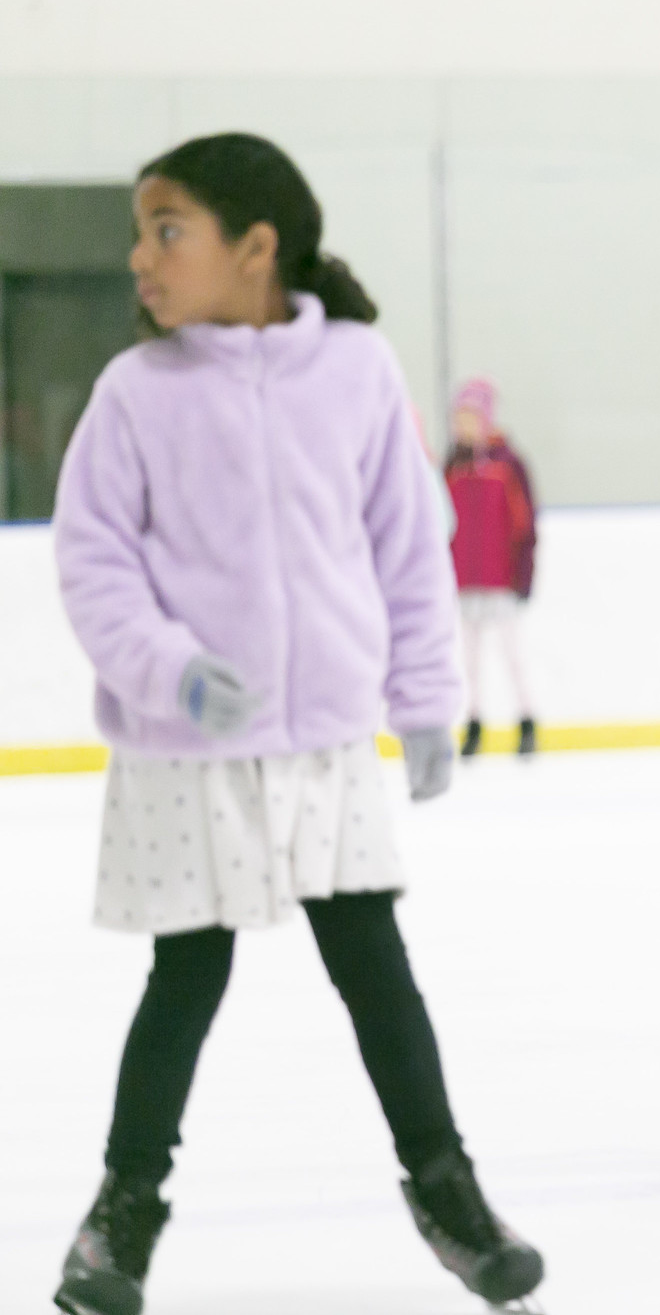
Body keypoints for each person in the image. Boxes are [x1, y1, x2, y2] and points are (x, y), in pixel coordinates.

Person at [48, 133, 543, 1314]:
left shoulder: (358, 372)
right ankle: (118, 1221)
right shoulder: (135, 394)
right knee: (188, 975)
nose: (142, 259)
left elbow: (407, 547)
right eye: (142, 233)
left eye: (168, 231)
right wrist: (168, 669)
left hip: (323, 740)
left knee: (376, 970)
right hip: (192, 750)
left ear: (256, 247)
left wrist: (425, 699)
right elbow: (94, 562)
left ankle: (449, 1195)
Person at [444, 376, 540, 757]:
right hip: (464, 582)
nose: (461, 425)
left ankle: (526, 718)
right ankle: (473, 721)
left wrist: (523, 575)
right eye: (458, 418)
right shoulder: (453, 466)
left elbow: (525, 523)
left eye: (469, 416)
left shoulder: (507, 464)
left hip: (501, 581)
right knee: (468, 657)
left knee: (511, 653)